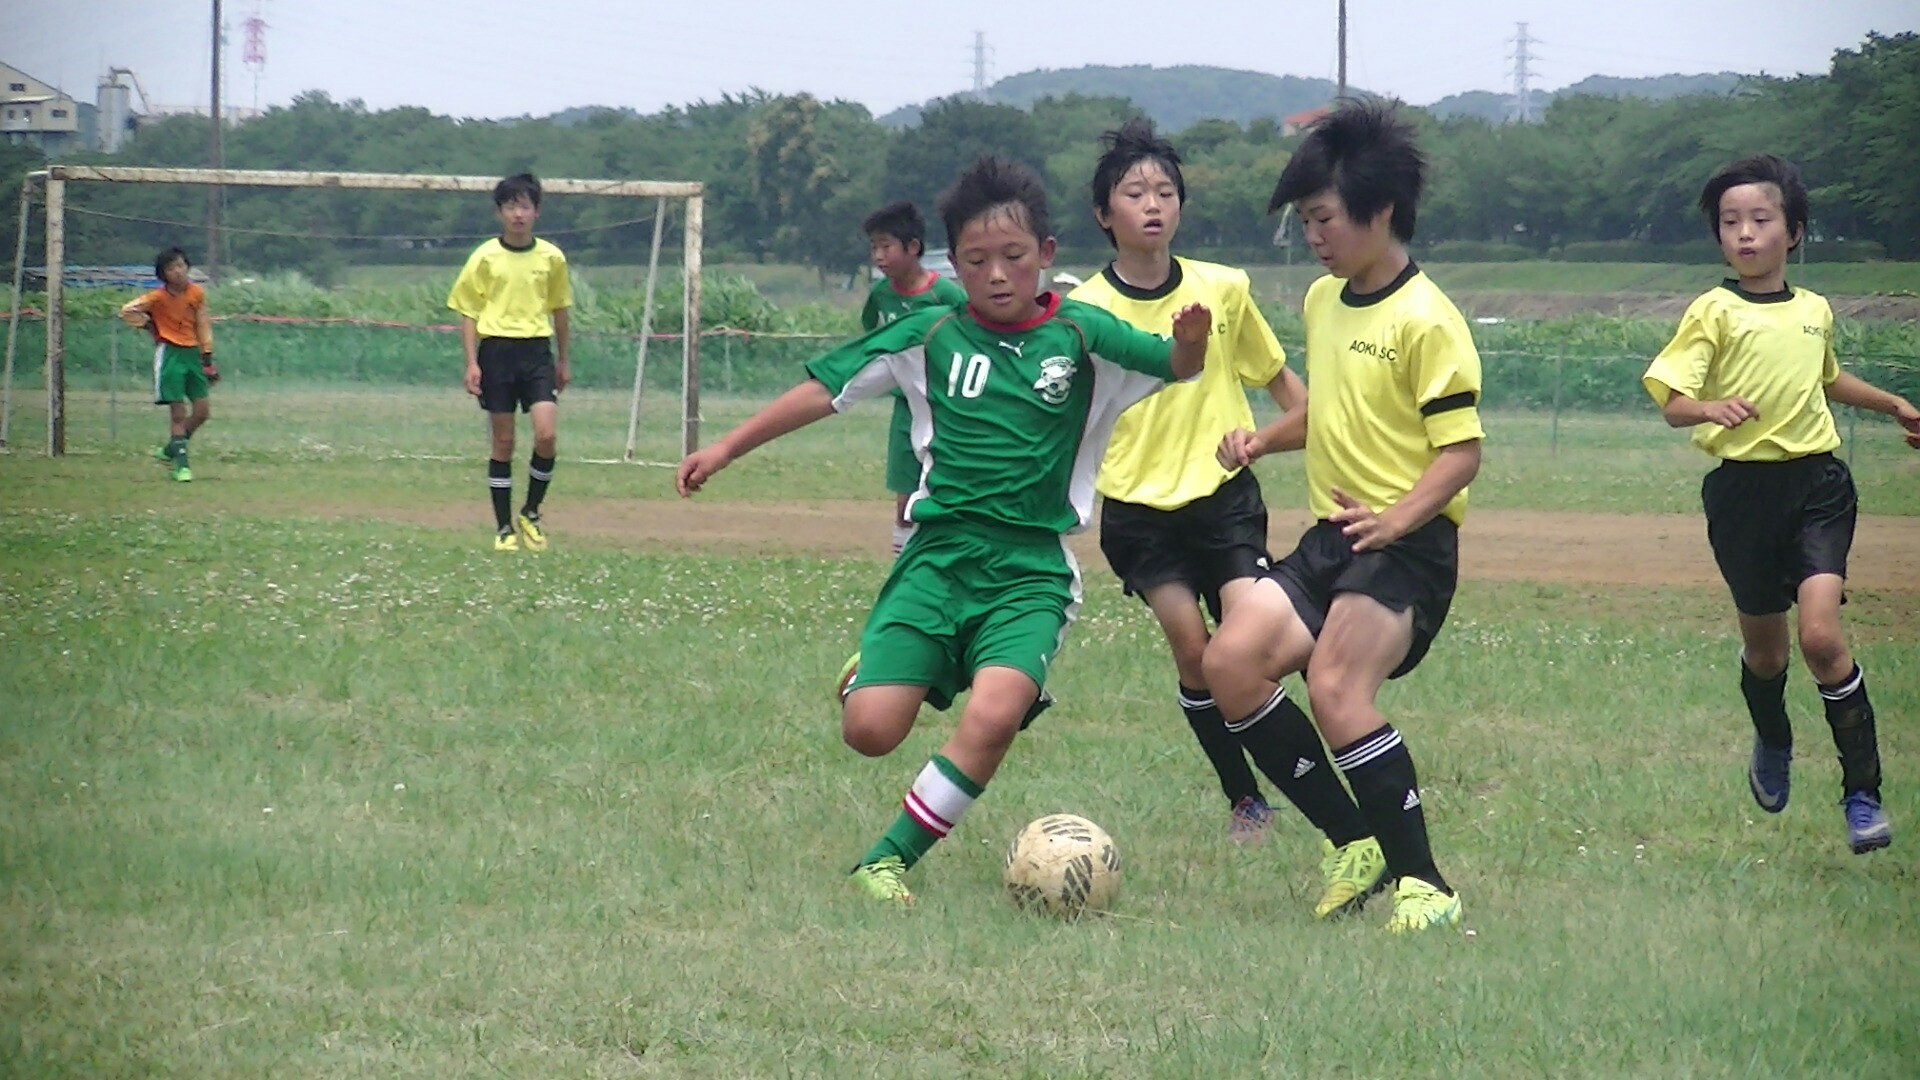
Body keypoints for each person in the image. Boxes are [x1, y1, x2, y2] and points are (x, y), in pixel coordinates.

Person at [677, 155, 1212, 904]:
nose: (996, 275)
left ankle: (886, 860)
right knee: (869, 732)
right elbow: (826, 390)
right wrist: (726, 447)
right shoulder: (930, 333)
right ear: (953, 265)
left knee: (996, 713)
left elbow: (1177, 365)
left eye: (1014, 258)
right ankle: (884, 674)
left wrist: (1190, 340)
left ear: (1047, 257)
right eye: (976, 261)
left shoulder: (1083, 335)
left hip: (1030, 570)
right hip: (936, 560)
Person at [1068, 118, 1385, 911]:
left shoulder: (1225, 288)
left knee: (1251, 649)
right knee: (1194, 652)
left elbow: (1294, 399)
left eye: (1166, 192)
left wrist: (1276, 443)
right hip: (1138, 513)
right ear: (1103, 212)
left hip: (1224, 504)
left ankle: (1346, 809)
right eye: (1134, 193)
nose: (1153, 205)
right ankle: (1244, 798)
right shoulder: (1080, 309)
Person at [1205, 98, 1482, 934]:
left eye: (1323, 218)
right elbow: (1334, 409)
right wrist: (1262, 440)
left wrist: (1397, 521)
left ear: (1380, 209)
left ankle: (1426, 885)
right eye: (1305, 220)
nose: (1314, 236)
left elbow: (1460, 453)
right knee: (1230, 664)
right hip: (1334, 535)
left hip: (1407, 544)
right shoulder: (1325, 302)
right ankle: (1352, 840)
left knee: (1334, 688)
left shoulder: (1429, 319)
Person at [1642, 154, 1919, 855]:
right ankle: (1773, 736)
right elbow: (1674, 404)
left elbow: (1825, 379)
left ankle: (1863, 795)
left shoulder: (1815, 310)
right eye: (1730, 222)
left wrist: (1889, 403)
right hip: (1742, 496)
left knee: (1822, 639)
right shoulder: (1713, 309)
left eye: (1760, 220)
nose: (1744, 233)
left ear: (1793, 232)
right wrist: (1709, 405)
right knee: (1766, 656)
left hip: (1818, 487)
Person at [448, 172, 572, 553]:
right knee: (503, 442)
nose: (518, 214)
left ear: (536, 212)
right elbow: (467, 311)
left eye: (525, 206)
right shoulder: (485, 257)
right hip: (497, 352)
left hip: (536, 351)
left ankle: (531, 513)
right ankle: (504, 528)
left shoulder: (551, 258)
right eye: (511, 206)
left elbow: (560, 309)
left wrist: (563, 360)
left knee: (546, 435)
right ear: (500, 212)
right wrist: (472, 363)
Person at [862, 201, 969, 554]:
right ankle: (903, 561)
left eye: (886, 246)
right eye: (873, 247)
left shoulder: (946, 295)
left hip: (946, 407)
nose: (878, 255)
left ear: (913, 248)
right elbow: (870, 338)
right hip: (906, 407)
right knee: (905, 495)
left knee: (949, 484)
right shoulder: (880, 295)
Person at [120, 247, 217, 483]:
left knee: (202, 412)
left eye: (181, 265)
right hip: (170, 355)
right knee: (178, 412)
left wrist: (207, 357)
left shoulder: (196, 294)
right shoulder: (157, 298)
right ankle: (181, 466)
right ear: (163, 274)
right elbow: (127, 310)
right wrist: (148, 326)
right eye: (172, 268)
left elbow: (203, 324)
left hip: (192, 353)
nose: (178, 271)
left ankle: (171, 449)